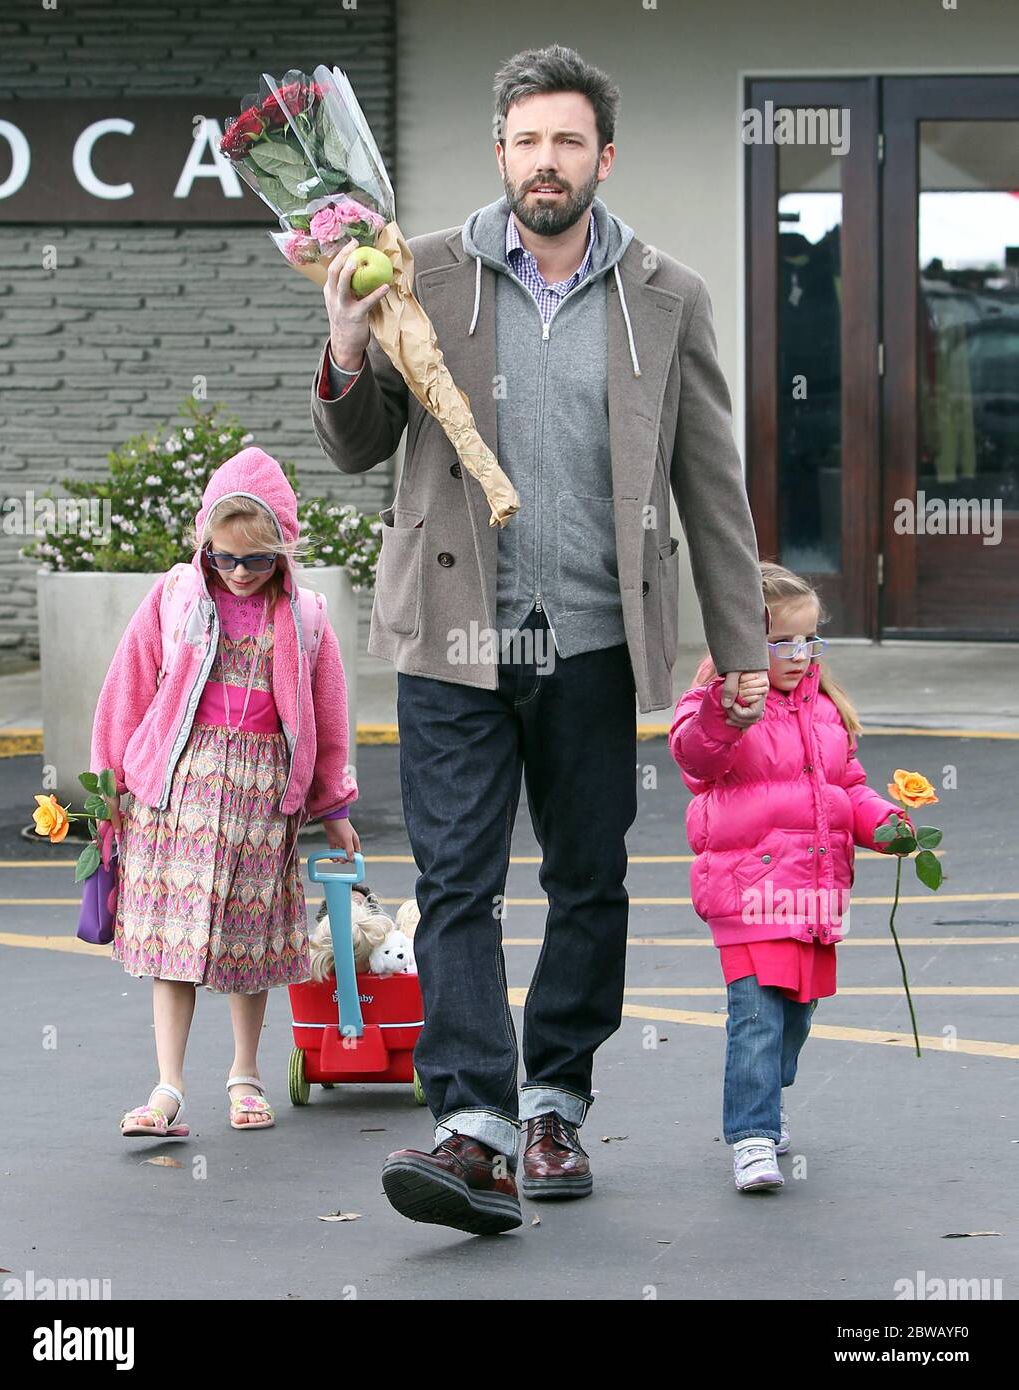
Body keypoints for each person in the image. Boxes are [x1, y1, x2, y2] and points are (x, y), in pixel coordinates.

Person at [311, 43, 770, 1235]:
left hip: (595, 642)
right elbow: (358, 446)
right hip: (453, 638)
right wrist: (347, 343)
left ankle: (556, 1097)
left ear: (602, 158)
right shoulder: (420, 274)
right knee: (455, 882)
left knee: (589, 881)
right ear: (500, 154)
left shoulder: (666, 295)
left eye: (568, 141)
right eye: (526, 141)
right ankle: (474, 1126)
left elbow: (709, 486)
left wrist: (744, 651)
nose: (545, 162)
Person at [90, 446, 358, 1140]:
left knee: (248, 942)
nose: (239, 574)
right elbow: (128, 689)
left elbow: (328, 717)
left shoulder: (305, 617)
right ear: (205, 545)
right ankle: (167, 1087)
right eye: (225, 558)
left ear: (283, 552)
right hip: (176, 792)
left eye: (256, 561)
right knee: (173, 942)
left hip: (263, 798)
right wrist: (107, 787)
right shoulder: (177, 596)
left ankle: (245, 1076)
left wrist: (333, 807)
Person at [669, 562, 908, 1192]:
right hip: (747, 890)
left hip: (812, 894)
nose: (799, 656)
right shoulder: (717, 702)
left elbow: (847, 789)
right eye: (782, 643)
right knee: (757, 1016)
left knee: (795, 1018)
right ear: (744, 639)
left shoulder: (825, 709)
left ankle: (765, 1103)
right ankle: (752, 1136)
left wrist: (884, 823)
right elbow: (695, 757)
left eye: (810, 640)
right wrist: (728, 711)